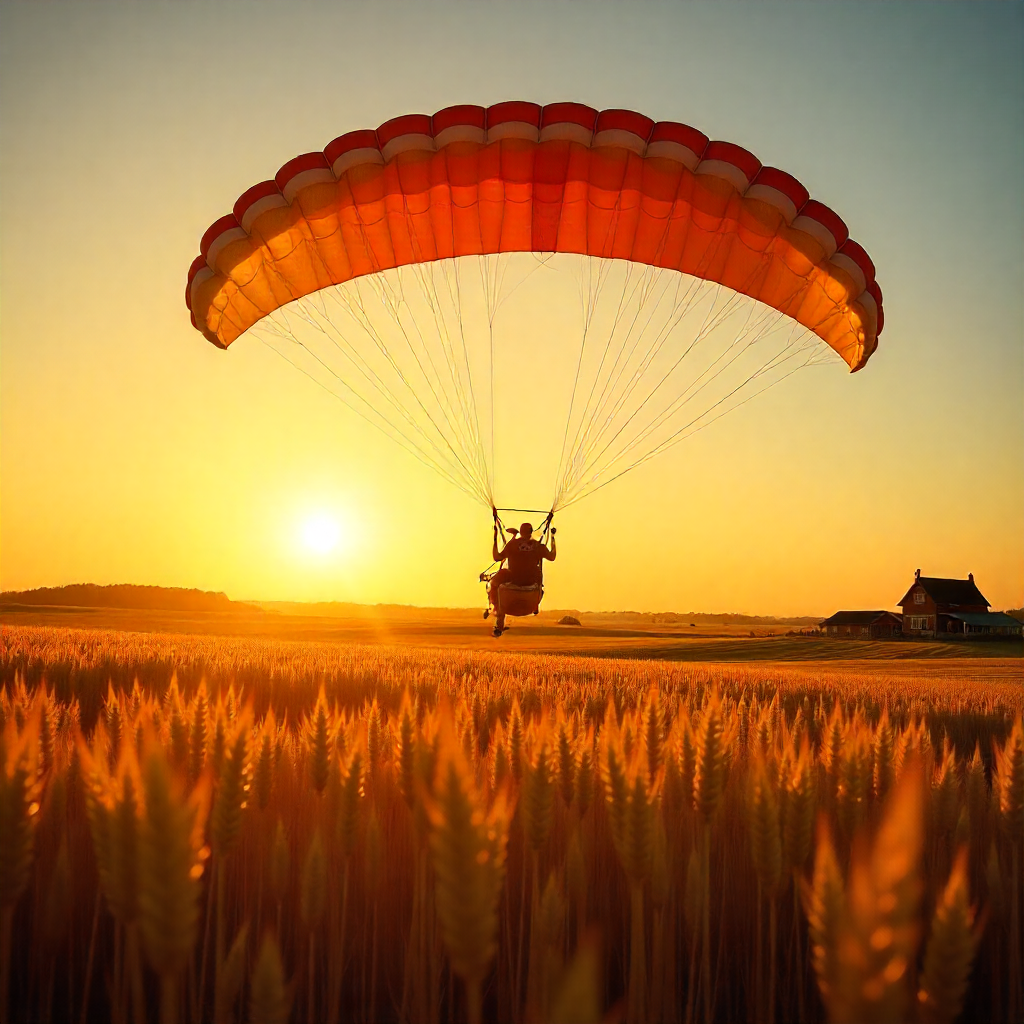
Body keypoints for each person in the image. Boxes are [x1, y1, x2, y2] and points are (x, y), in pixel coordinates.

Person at [488, 521, 556, 637]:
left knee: (494, 583)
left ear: (521, 532)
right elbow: (552, 556)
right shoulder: (538, 546)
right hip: (531, 582)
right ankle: (535, 606)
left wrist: (495, 538)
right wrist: (553, 538)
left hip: (514, 578)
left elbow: (497, 557)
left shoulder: (513, 545)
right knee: (538, 577)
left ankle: (498, 614)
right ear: (531, 532)